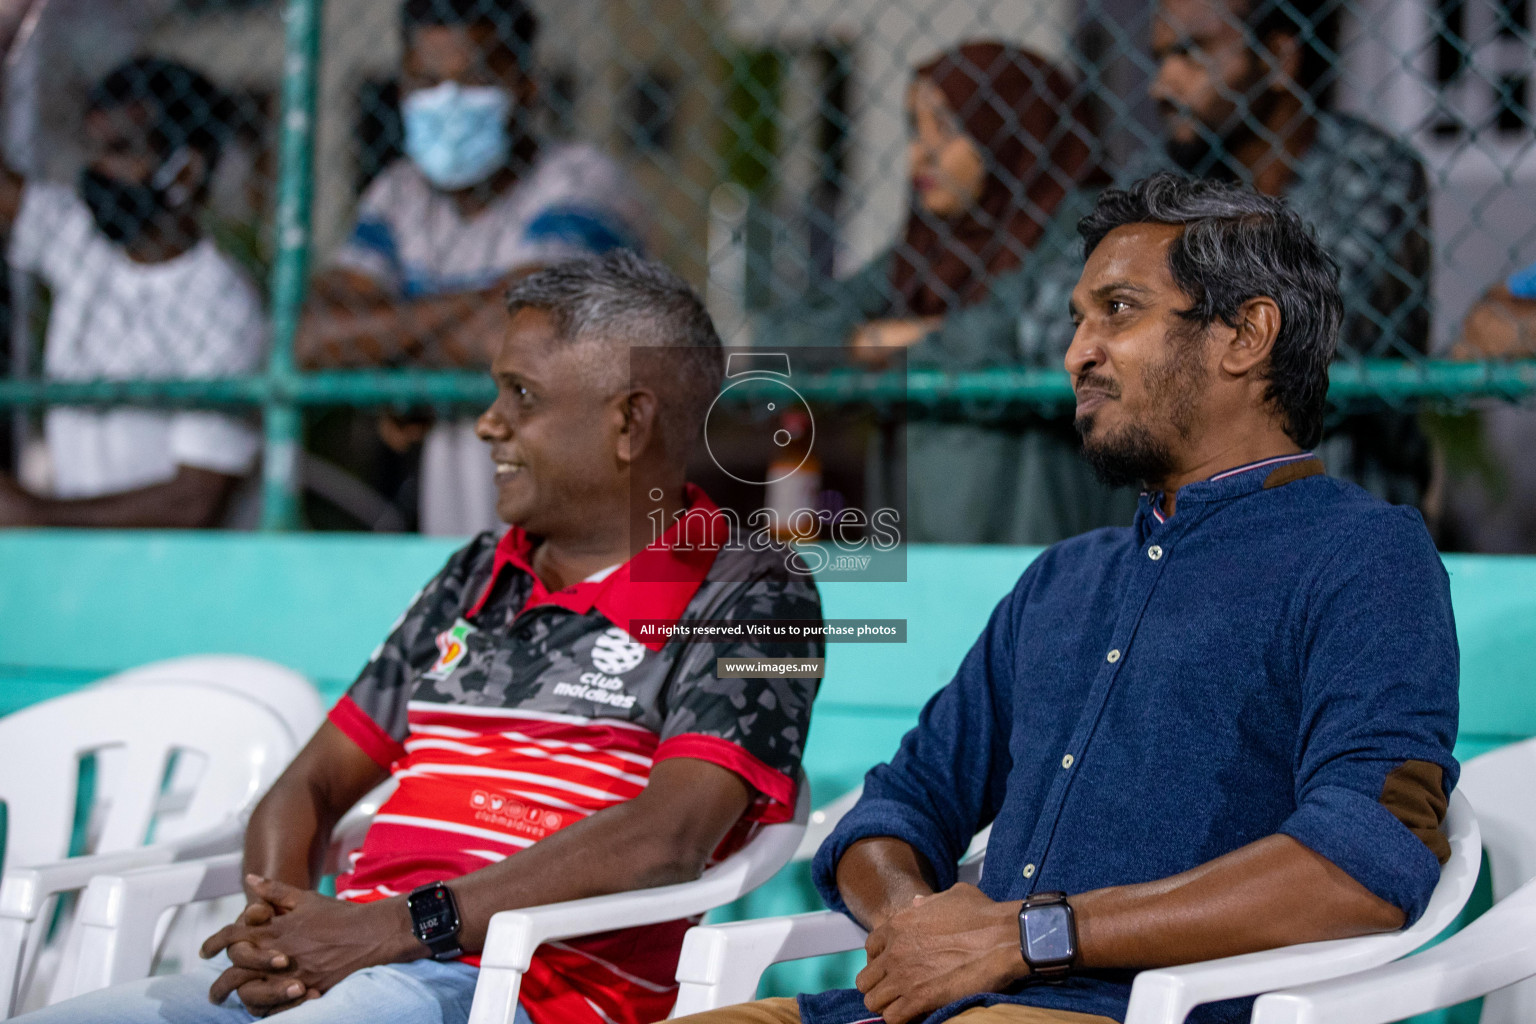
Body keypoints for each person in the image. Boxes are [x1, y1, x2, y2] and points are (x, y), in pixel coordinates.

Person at [673, 173, 1459, 1024]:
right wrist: (918, 925)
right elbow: (900, 805)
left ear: (1245, 334)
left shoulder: (1363, 557)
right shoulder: (1065, 580)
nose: (1076, 353)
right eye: (1078, 319)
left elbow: (1366, 861)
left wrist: (1030, 937)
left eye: (1117, 311)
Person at [19, 252, 822, 1024]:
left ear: (628, 421)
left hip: (518, 990)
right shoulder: (473, 574)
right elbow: (310, 785)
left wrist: (390, 930)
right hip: (353, 963)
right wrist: (279, 935)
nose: (488, 423)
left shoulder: (756, 590)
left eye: (521, 395)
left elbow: (667, 839)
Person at [753, 42, 1131, 544]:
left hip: (1039, 537)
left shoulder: (1088, 227)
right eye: (915, 128)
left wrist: (879, 344)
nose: (919, 153)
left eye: (948, 128)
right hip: (921, 545)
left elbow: (1019, 336)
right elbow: (782, 337)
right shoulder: (923, 249)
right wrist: (895, 339)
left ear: (1013, 130)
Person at [297, 0, 647, 537]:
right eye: (428, 82)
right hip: (454, 525)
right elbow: (313, 335)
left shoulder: (580, 182)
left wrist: (396, 360)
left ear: (525, 87)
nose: (449, 102)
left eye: (476, 78)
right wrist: (480, 311)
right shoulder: (400, 193)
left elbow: (522, 336)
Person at [1133, 0, 1433, 506]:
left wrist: (1150, 329)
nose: (1161, 85)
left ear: (1276, 58)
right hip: (1187, 520)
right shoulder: (1163, 175)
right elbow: (1050, 326)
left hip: (1344, 511)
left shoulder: (1373, 170)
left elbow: (1313, 340)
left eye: (1190, 54)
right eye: (1160, 58)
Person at [0, 57, 266, 528]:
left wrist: (34, 515)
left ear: (185, 171)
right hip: (83, 569)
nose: (98, 171)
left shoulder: (224, 306)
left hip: (177, 579)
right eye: (95, 149)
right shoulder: (81, 243)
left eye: (121, 151)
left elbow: (194, 503)